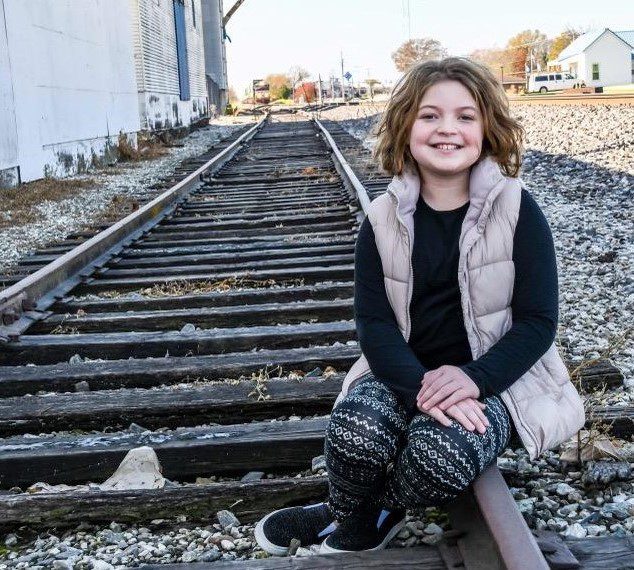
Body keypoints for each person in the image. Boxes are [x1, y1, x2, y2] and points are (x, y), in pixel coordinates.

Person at [254, 57, 585, 556]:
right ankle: (351, 514)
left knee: (438, 454)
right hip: (403, 373)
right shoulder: (382, 218)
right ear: (405, 127)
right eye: (430, 115)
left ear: (487, 129)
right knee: (354, 432)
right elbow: (374, 323)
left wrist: (473, 380)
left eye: (465, 117)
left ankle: (363, 510)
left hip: (496, 382)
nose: (447, 129)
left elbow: (538, 323)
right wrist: (421, 389)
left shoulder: (519, 210)